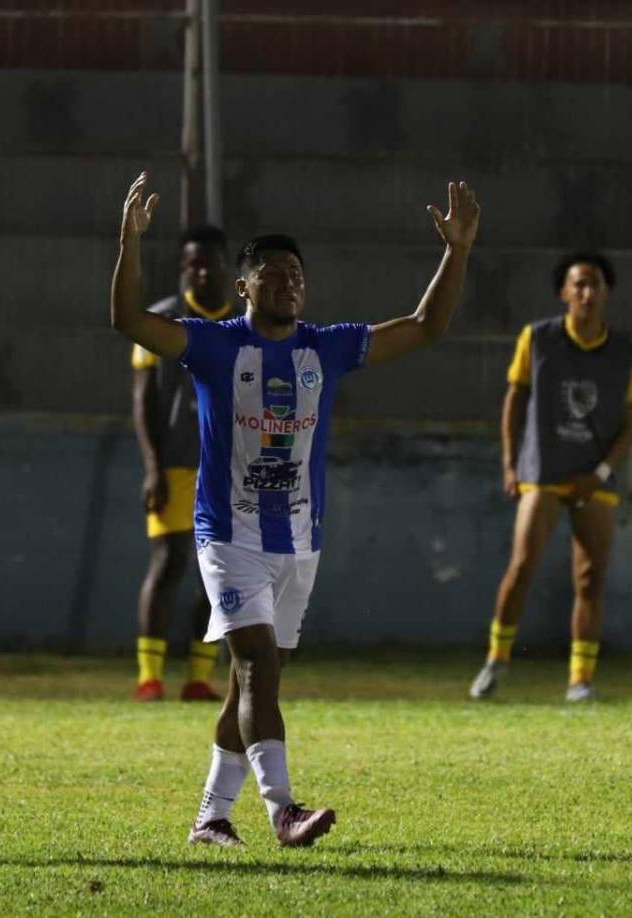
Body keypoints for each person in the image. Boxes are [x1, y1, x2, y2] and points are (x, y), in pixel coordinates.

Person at [110, 172, 479, 848]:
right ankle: (283, 810)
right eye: (273, 274)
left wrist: (457, 250)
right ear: (243, 286)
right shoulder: (216, 345)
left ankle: (210, 818)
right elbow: (129, 322)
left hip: (300, 539)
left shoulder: (325, 347)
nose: (288, 283)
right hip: (229, 536)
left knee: (252, 683)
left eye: (297, 275)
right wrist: (129, 242)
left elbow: (426, 327)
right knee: (256, 667)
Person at [469, 252, 632, 703]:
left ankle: (580, 680)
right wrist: (511, 464)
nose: (587, 292)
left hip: (594, 477)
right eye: (578, 284)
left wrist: (601, 472)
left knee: (590, 578)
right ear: (564, 292)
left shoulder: (626, 354)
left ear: (606, 293)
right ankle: (496, 660)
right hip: (544, 470)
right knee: (522, 566)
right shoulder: (538, 338)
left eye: (595, 284)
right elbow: (514, 400)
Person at [131, 226, 233, 702]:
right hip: (173, 463)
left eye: (211, 262)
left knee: (218, 570)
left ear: (227, 268)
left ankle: (198, 676)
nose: (203, 271)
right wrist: (152, 466)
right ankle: (149, 677)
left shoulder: (243, 325)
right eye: (194, 263)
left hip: (227, 470)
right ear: (182, 268)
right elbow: (143, 400)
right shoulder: (161, 321)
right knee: (169, 560)